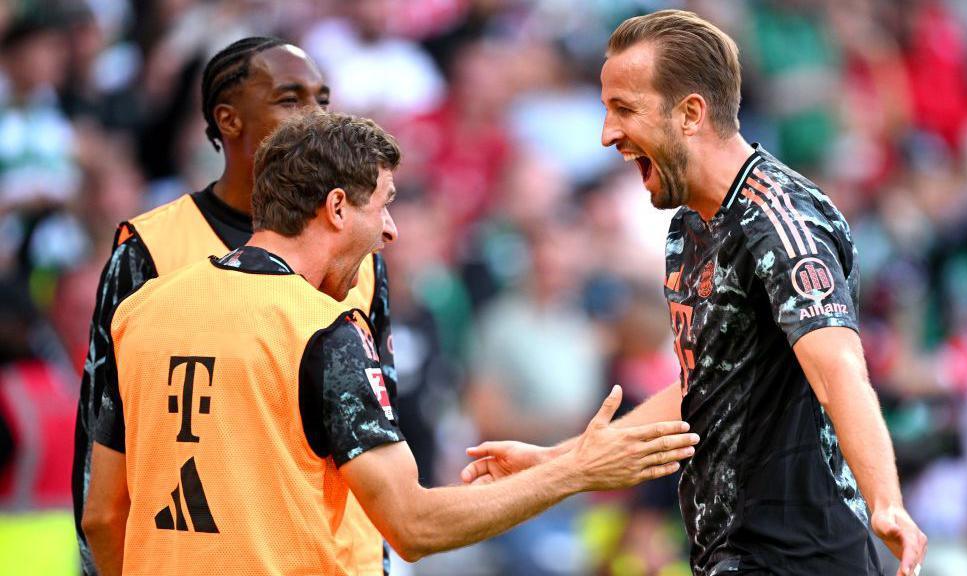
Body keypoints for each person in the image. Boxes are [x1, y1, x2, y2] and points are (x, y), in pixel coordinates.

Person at [80, 111, 700, 575]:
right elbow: (412, 525)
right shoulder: (320, 331)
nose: (393, 229)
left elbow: (104, 516)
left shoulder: (142, 311)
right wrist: (575, 470)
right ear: (337, 208)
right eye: (386, 205)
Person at [461, 10, 928, 576]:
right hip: (727, 557)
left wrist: (886, 500)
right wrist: (557, 461)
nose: (607, 134)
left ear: (690, 114)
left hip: (803, 560)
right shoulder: (691, 227)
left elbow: (838, 368)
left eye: (623, 109)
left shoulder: (779, 223)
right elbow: (700, 393)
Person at [71, 37, 395, 575]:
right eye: (291, 99)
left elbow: (381, 431)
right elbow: (102, 485)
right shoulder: (149, 251)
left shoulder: (359, 244)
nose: (316, 117)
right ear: (229, 120)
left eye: (323, 99)